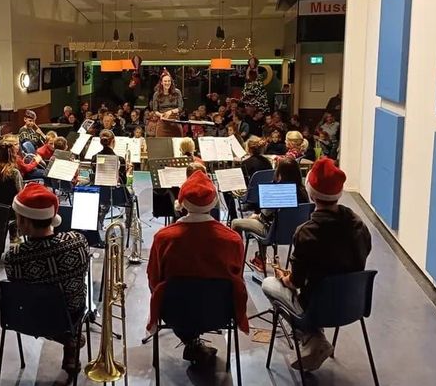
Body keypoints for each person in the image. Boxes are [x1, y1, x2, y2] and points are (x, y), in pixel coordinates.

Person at [262, 158, 371, 371]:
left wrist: (284, 278)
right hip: (352, 304)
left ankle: (312, 335)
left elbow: (295, 282)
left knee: (268, 284)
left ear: (312, 194)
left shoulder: (305, 232)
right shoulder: (360, 225)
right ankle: (314, 338)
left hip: (317, 308)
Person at [147, 172, 249, 364]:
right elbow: (237, 278)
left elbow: (154, 279)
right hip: (221, 312)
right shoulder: (233, 239)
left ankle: (190, 340)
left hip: (174, 312)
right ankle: (193, 343)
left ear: (181, 202)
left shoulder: (163, 237)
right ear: (214, 202)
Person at [2, 183, 90, 375]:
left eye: (18, 217)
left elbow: (19, 291)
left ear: (26, 222)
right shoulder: (79, 241)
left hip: (31, 318)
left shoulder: (14, 257)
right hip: (72, 313)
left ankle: (65, 338)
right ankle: (70, 338)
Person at [232, 157, 310, 273]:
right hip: (295, 233)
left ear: (280, 173)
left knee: (236, 223)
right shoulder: (303, 192)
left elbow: (265, 214)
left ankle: (237, 260)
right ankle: (260, 258)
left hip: (273, 233)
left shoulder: (276, 190)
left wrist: (257, 216)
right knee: (265, 221)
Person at [0, 142, 24, 243]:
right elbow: (20, 194)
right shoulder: (15, 173)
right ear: (13, 156)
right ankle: (14, 236)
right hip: (11, 212)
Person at [150, 70, 184, 137]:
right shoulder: (156, 94)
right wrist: (161, 115)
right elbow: (155, 110)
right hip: (163, 120)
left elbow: (180, 107)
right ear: (161, 82)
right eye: (165, 81)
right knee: (161, 142)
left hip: (175, 121)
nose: (167, 83)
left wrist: (171, 112)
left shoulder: (177, 92)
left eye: (169, 81)